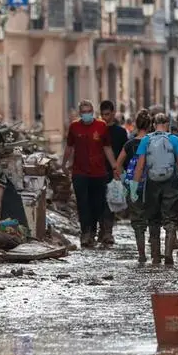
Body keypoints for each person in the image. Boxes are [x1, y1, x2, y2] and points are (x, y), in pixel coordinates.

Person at [131, 113, 178, 265]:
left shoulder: (146, 140)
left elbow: (140, 166)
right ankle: (169, 254)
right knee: (170, 219)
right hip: (171, 183)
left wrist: (134, 187)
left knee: (153, 219)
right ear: (168, 123)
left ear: (153, 124)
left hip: (152, 183)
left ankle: (156, 256)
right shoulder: (174, 139)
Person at [63, 100, 118, 248]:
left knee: (97, 204)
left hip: (98, 172)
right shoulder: (74, 127)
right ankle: (85, 233)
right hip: (79, 172)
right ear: (80, 113)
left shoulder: (101, 126)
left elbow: (107, 147)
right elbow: (69, 147)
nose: (86, 114)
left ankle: (93, 231)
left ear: (92, 112)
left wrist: (114, 166)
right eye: (84, 112)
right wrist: (64, 164)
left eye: (89, 111)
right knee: (82, 204)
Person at [115, 110, 152, 263]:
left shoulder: (129, 144)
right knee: (154, 219)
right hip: (153, 185)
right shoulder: (153, 142)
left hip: (133, 187)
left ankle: (142, 253)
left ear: (136, 125)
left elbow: (117, 166)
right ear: (150, 125)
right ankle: (156, 253)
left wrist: (124, 179)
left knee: (138, 221)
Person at [98, 100, 128, 246]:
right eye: (103, 114)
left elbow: (125, 151)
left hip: (113, 171)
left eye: (108, 114)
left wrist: (122, 170)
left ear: (113, 113)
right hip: (97, 170)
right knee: (98, 201)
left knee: (110, 201)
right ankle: (100, 229)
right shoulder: (97, 130)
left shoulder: (120, 132)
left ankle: (107, 232)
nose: (105, 117)